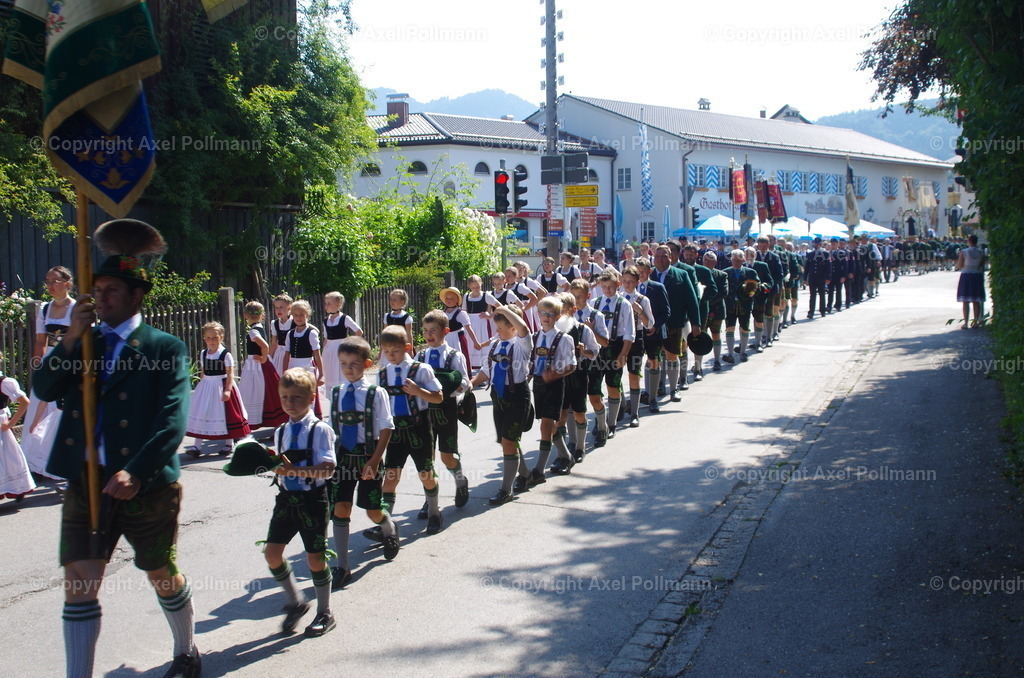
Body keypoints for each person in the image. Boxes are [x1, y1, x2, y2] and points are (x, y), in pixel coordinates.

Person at [32, 218, 199, 677]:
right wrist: (69, 338)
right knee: (79, 583)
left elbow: (172, 420)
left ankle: (186, 649)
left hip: (144, 486)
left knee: (160, 573)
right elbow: (44, 388)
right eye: (97, 289)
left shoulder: (165, 347)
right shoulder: (83, 342)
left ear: (135, 295)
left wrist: (138, 471)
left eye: (110, 290)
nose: (100, 298)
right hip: (86, 481)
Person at [264, 367, 337, 637]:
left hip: (312, 500)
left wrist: (293, 471)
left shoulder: (320, 430)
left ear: (310, 398)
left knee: (315, 560)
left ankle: (325, 611)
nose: (289, 403)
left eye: (296, 397)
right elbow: (279, 466)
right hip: (286, 500)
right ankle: (295, 601)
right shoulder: (281, 431)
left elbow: (328, 469)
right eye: (284, 397)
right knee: (272, 554)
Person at [327, 337, 398, 588]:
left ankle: (388, 527)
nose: (348, 369)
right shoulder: (336, 392)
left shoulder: (375, 393)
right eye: (344, 364)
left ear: (367, 364)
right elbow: (331, 428)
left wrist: (375, 460)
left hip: (368, 458)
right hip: (343, 459)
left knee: (372, 509)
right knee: (340, 508)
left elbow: (386, 427)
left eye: (354, 364)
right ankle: (342, 566)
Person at [375, 326, 444, 534]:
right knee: (390, 477)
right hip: (395, 431)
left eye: (394, 351)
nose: (390, 356)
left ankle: (434, 513)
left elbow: (438, 397)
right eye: (386, 352)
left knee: (426, 473)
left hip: (419, 427)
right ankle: (385, 524)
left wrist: (418, 391)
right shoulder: (383, 374)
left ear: (406, 347)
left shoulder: (421, 369)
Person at [470, 305, 532, 505]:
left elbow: (523, 327)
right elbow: (486, 371)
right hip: (498, 396)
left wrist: (505, 310)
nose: (497, 332)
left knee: (508, 441)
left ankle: (506, 490)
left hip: (516, 395)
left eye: (501, 328)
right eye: (497, 328)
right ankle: (525, 474)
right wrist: (470, 384)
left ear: (513, 328)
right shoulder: (495, 345)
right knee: (506, 440)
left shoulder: (522, 344)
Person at [20, 265, 76, 481]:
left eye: (54, 281)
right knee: (39, 409)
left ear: (67, 284)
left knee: (60, 412)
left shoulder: (77, 308)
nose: (50, 285)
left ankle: (60, 462)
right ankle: (35, 462)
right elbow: (41, 341)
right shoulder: (45, 309)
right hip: (49, 363)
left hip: (71, 362)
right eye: (47, 281)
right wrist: (38, 366)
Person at [415, 310, 472, 516]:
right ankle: (430, 500)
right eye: (426, 331)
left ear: (445, 331)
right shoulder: (420, 355)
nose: (429, 335)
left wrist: (451, 389)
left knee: (447, 457)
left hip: (446, 410)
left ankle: (460, 481)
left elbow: (465, 382)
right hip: (423, 412)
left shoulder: (454, 355)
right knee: (426, 460)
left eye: (434, 331)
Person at [525, 297, 576, 485]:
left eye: (551, 314)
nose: (546, 317)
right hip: (538, 384)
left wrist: (555, 374)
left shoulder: (564, 339)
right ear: (538, 314)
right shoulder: (534, 337)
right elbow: (531, 362)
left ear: (558, 316)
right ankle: (567, 456)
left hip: (555, 384)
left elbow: (572, 365)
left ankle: (539, 470)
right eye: (543, 313)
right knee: (549, 424)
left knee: (546, 424)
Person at [184, 321, 251, 456]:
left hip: (221, 385)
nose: (211, 341)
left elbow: (230, 373)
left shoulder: (225, 355)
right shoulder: (204, 353)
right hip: (207, 387)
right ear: (204, 338)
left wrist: (227, 390)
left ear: (221, 337)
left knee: (226, 415)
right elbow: (203, 372)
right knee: (202, 413)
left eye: (215, 337)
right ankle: (196, 446)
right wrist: (200, 389)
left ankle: (228, 443)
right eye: (208, 338)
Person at [551, 292, 599, 473]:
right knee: (560, 417)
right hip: (559, 376)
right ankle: (562, 454)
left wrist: (585, 351)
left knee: (579, 412)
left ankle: (580, 448)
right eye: (557, 310)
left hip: (578, 375)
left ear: (573, 310)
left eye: (563, 310)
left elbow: (595, 352)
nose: (559, 314)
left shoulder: (581, 329)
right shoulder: (552, 330)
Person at [649, 245, 701, 402]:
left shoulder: (681, 275)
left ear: (670, 257)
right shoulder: (649, 275)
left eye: (664, 256)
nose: (660, 259)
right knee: (655, 357)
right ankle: (658, 385)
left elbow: (692, 301)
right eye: (657, 256)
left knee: (672, 355)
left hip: (674, 322)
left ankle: (673, 389)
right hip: (654, 325)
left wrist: (696, 323)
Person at [591, 268, 634, 441]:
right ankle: (600, 419)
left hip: (616, 347)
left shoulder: (624, 304)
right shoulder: (595, 303)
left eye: (611, 286)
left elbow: (630, 333)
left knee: (613, 385)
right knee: (595, 387)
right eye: (604, 286)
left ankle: (611, 423)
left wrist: (623, 354)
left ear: (618, 285)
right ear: (600, 285)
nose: (608, 290)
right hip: (596, 349)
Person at [568, 279, 608, 453]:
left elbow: (605, 342)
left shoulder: (596, 315)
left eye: (580, 297)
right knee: (572, 402)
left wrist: (591, 329)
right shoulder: (566, 318)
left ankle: (602, 427)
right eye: (573, 297)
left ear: (588, 296)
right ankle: (573, 439)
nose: (577, 300)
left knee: (594, 398)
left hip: (593, 362)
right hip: (574, 365)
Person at [238, 301, 288, 431]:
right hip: (261, 364)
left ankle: (248, 422)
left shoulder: (253, 331)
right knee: (269, 392)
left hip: (256, 365)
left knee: (253, 392)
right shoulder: (259, 327)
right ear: (262, 315)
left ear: (245, 315)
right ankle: (277, 422)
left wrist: (263, 358)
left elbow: (264, 346)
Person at [619, 266, 654, 427]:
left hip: (636, 340)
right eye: (625, 281)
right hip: (618, 339)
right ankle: (620, 405)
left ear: (637, 282)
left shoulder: (642, 299)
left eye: (631, 282)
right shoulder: (618, 298)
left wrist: (640, 312)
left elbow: (649, 324)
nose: (627, 284)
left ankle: (634, 412)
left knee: (633, 374)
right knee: (615, 374)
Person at [634, 257, 669, 412]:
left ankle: (652, 397)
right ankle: (638, 395)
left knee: (654, 361)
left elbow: (666, 311)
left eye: (643, 272)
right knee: (635, 362)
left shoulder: (658, 287)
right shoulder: (630, 289)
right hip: (636, 333)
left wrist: (655, 325)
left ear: (649, 271)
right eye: (637, 272)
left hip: (653, 332)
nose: (640, 275)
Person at [282, 300, 324, 418]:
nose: (298, 317)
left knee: (306, 392)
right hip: (293, 366)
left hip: (307, 366)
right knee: (293, 392)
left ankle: (308, 417)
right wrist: (284, 371)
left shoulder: (311, 333)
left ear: (307, 315)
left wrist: (321, 374)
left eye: (301, 315)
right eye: (295, 315)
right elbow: (286, 355)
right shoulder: (290, 334)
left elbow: (317, 354)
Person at [0, 357, 35, 501]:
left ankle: (17, 488)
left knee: (8, 458)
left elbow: (24, 402)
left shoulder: (4, 382)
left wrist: (11, 423)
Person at [722, 249, 760, 364]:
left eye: (739, 260)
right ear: (731, 260)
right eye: (734, 260)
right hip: (730, 305)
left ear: (743, 260)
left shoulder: (750, 272)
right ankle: (730, 353)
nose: (736, 262)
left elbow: (757, 288)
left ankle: (743, 352)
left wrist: (750, 294)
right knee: (730, 328)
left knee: (744, 327)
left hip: (745, 305)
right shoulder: (725, 272)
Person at [321, 291, 363, 394]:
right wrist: (323, 350)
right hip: (329, 349)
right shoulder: (326, 320)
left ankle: (344, 391)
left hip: (341, 348)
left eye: (329, 303)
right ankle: (332, 394)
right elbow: (326, 338)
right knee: (329, 370)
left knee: (340, 370)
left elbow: (359, 331)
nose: (326, 306)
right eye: (325, 303)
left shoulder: (344, 318)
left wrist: (351, 343)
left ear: (337, 304)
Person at [462, 275, 499, 370]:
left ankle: (485, 370)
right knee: (470, 345)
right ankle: (470, 368)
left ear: (481, 284)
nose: (476, 289)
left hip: (482, 324)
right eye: (473, 287)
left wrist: (490, 316)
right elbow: (464, 310)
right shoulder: (466, 296)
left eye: (477, 286)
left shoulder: (486, 295)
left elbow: (499, 306)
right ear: (469, 286)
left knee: (483, 345)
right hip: (470, 324)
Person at [701, 252, 730, 371]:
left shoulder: (722, 275)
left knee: (716, 335)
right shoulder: (699, 273)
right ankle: (698, 365)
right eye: (706, 260)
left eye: (710, 261)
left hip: (716, 310)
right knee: (701, 337)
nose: (707, 263)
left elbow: (723, 292)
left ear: (715, 262)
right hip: (702, 310)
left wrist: (707, 300)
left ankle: (717, 360)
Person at [440, 287, 480, 372]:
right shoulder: (442, 313)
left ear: (457, 300)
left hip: (457, 340)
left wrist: (476, 342)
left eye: (451, 298)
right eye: (447, 298)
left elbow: (469, 329)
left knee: (458, 359)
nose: (448, 300)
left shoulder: (460, 313)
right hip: (445, 340)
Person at [956, 234, 987, 328]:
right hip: (977, 275)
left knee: (965, 300)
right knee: (976, 300)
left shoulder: (964, 252)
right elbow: (982, 264)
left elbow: (960, 265)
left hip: (966, 274)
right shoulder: (981, 252)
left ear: (969, 241)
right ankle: (976, 322)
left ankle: (965, 322)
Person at [805, 237, 832, 319]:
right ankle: (811, 312)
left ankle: (822, 310)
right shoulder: (810, 254)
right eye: (815, 243)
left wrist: (828, 277)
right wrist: (805, 278)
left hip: (821, 277)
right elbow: (807, 267)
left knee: (822, 294)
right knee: (812, 295)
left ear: (820, 244)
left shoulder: (825, 254)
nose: (816, 245)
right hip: (813, 277)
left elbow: (828, 267)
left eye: (818, 243)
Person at [382, 288, 415, 354]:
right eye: (391, 299)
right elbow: (384, 333)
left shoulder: (406, 317)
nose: (392, 301)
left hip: (401, 347)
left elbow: (409, 334)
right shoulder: (387, 316)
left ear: (402, 302)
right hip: (389, 347)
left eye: (395, 299)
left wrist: (410, 350)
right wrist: (381, 350)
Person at [268, 294, 294, 376]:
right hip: (279, 354)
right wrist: (268, 359)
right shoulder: (275, 323)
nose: (278, 310)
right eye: (276, 307)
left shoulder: (295, 321)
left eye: (281, 307)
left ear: (289, 308)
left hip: (291, 353)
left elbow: (314, 330)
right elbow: (274, 344)